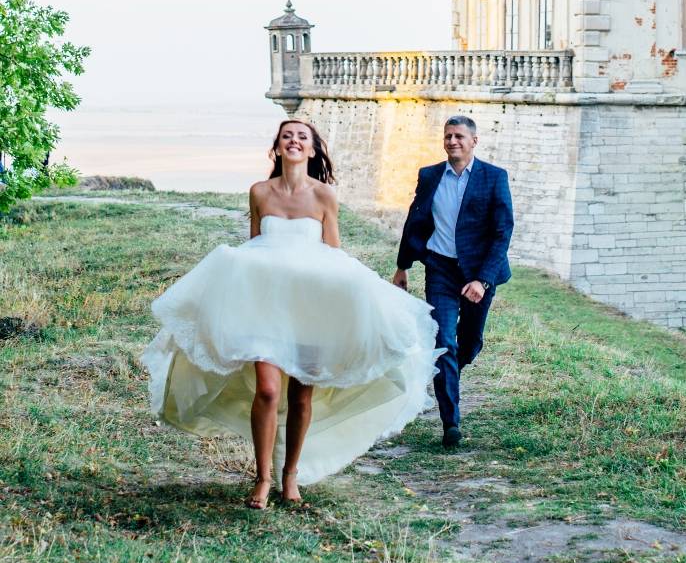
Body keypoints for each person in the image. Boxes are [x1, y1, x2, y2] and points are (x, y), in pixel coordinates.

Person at [142, 119, 440, 507]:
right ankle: (263, 477)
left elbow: (333, 255)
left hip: (310, 309)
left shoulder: (324, 195)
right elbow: (255, 249)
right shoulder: (260, 192)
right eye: (287, 136)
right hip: (267, 308)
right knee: (267, 391)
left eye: (302, 137)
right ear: (277, 148)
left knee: (300, 398)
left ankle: (290, 474)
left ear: (312, 150)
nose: (294, 141)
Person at [393, 116, 513, 448]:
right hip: (441, 270)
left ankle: (446, 373)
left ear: (474, 141)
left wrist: (482, 280)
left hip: (478, 272)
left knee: (469, 343)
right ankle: (451, 423)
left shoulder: (494, 177)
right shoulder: (430, 175)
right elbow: (415, 220)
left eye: (459, 136)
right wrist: (402, 266)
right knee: (444, 339)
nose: (452, 141)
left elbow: (502, 232)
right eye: (448, 136)